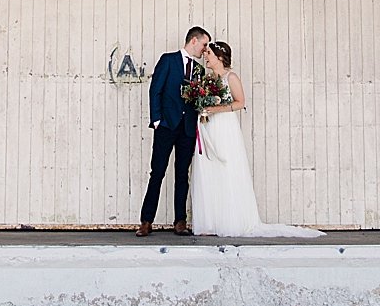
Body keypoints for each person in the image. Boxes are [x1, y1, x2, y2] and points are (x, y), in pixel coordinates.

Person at [189, 41, 321, 239]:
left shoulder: (230, 77)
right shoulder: (207, 79)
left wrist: (215, 109)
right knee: (208, 171)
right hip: (208, 128)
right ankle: (211, 221)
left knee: (226, 170)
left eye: (208, 53)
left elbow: (240, 102)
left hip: (224, 128)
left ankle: (230, 221)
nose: (205, 56)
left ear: (220, 57)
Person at [137, 26, 210, 237]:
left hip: (187, 129)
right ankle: (146, 221)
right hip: (167, 126)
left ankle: (180, 221)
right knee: (157, 173)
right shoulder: (168, 60)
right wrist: (157, 120)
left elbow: (198, 99)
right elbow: (155, 90)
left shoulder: (199, 70)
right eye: (204, 45)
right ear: (194, 41)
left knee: (182, 175)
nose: (205, 50)